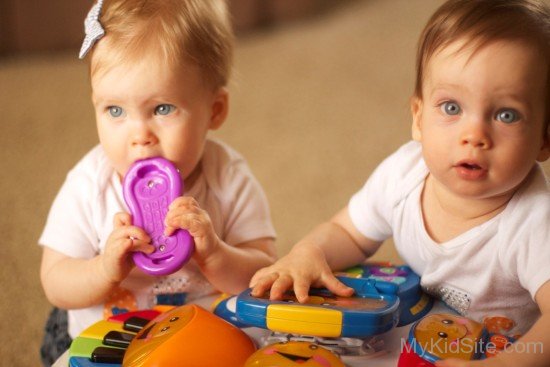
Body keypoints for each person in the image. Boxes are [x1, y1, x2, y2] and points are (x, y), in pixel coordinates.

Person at [250, 0, 550, 366]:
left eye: (506, 114)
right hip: (419, 336)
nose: (474, 134)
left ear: (543, 140)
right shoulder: (403, 174)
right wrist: (309, 252)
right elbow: (348, 232)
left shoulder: (534, 221)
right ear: (418, 119)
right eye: (452, 107)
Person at [38, 0, 277, 364]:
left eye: (162, 109)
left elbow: (262, 276)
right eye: (114, 110)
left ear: (214, 110)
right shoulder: (90, 184)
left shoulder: (228, 178)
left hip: (202, 337)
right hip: (108, 336)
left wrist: (214, 251)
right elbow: (55, 281)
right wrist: (104, 268)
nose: (139, 136)